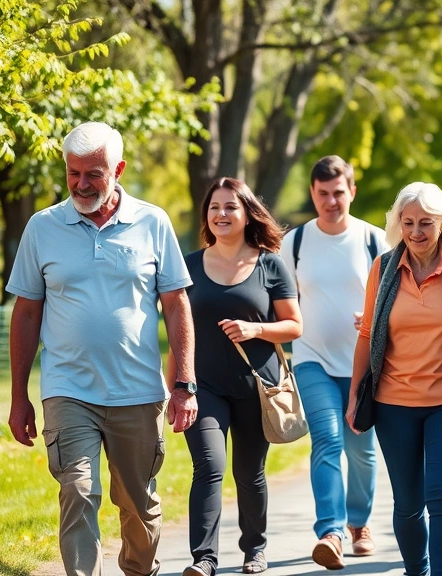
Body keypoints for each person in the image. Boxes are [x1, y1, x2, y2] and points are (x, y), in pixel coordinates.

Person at [6, 121, 196, 576]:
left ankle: (138, 570)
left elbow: (176, 304)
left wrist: (184, 383)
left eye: (93, 174)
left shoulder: (152, 222)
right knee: (77, 489)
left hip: (137, 390)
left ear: (119, 169)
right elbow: (27, 313)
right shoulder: (42, 227)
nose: (81, 184)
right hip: (68, 387)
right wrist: (18, 396)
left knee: (137, 505)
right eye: (73, 173)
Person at [345, 182, 442, 576]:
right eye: (409, 222)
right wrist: (354, 396)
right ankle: (417, 570)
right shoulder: (383, 268)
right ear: (399, 223)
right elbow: (366, 336)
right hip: (394, 402)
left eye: (426, 223)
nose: (417, 232)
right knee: (408, 503)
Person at [170, 177, 302, 576]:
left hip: (256, 388)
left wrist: (255, 329)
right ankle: (204, 559)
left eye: (230, 207)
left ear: (246, 214)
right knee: (209, 466)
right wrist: (173, 387)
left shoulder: (270, 264)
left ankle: (254, 550)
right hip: (203, 386)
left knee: (249, 472)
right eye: (214, 207)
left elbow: (294, 325)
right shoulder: (188, 265)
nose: (221, 214)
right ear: (205, 216)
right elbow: (176, 331)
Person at [281, 156, 386, 569]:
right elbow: (282, 301)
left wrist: (374, 318)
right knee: (327, 439)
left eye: (338, 193)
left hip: (364, 367)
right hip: (312, 361)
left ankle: (360, 523)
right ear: (312, 193)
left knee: (362, 451)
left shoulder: (375, 240)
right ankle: (331, 531)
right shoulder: (296, 243)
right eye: (322, 194)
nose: (331, 201)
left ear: (352, 192)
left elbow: (395, 302)